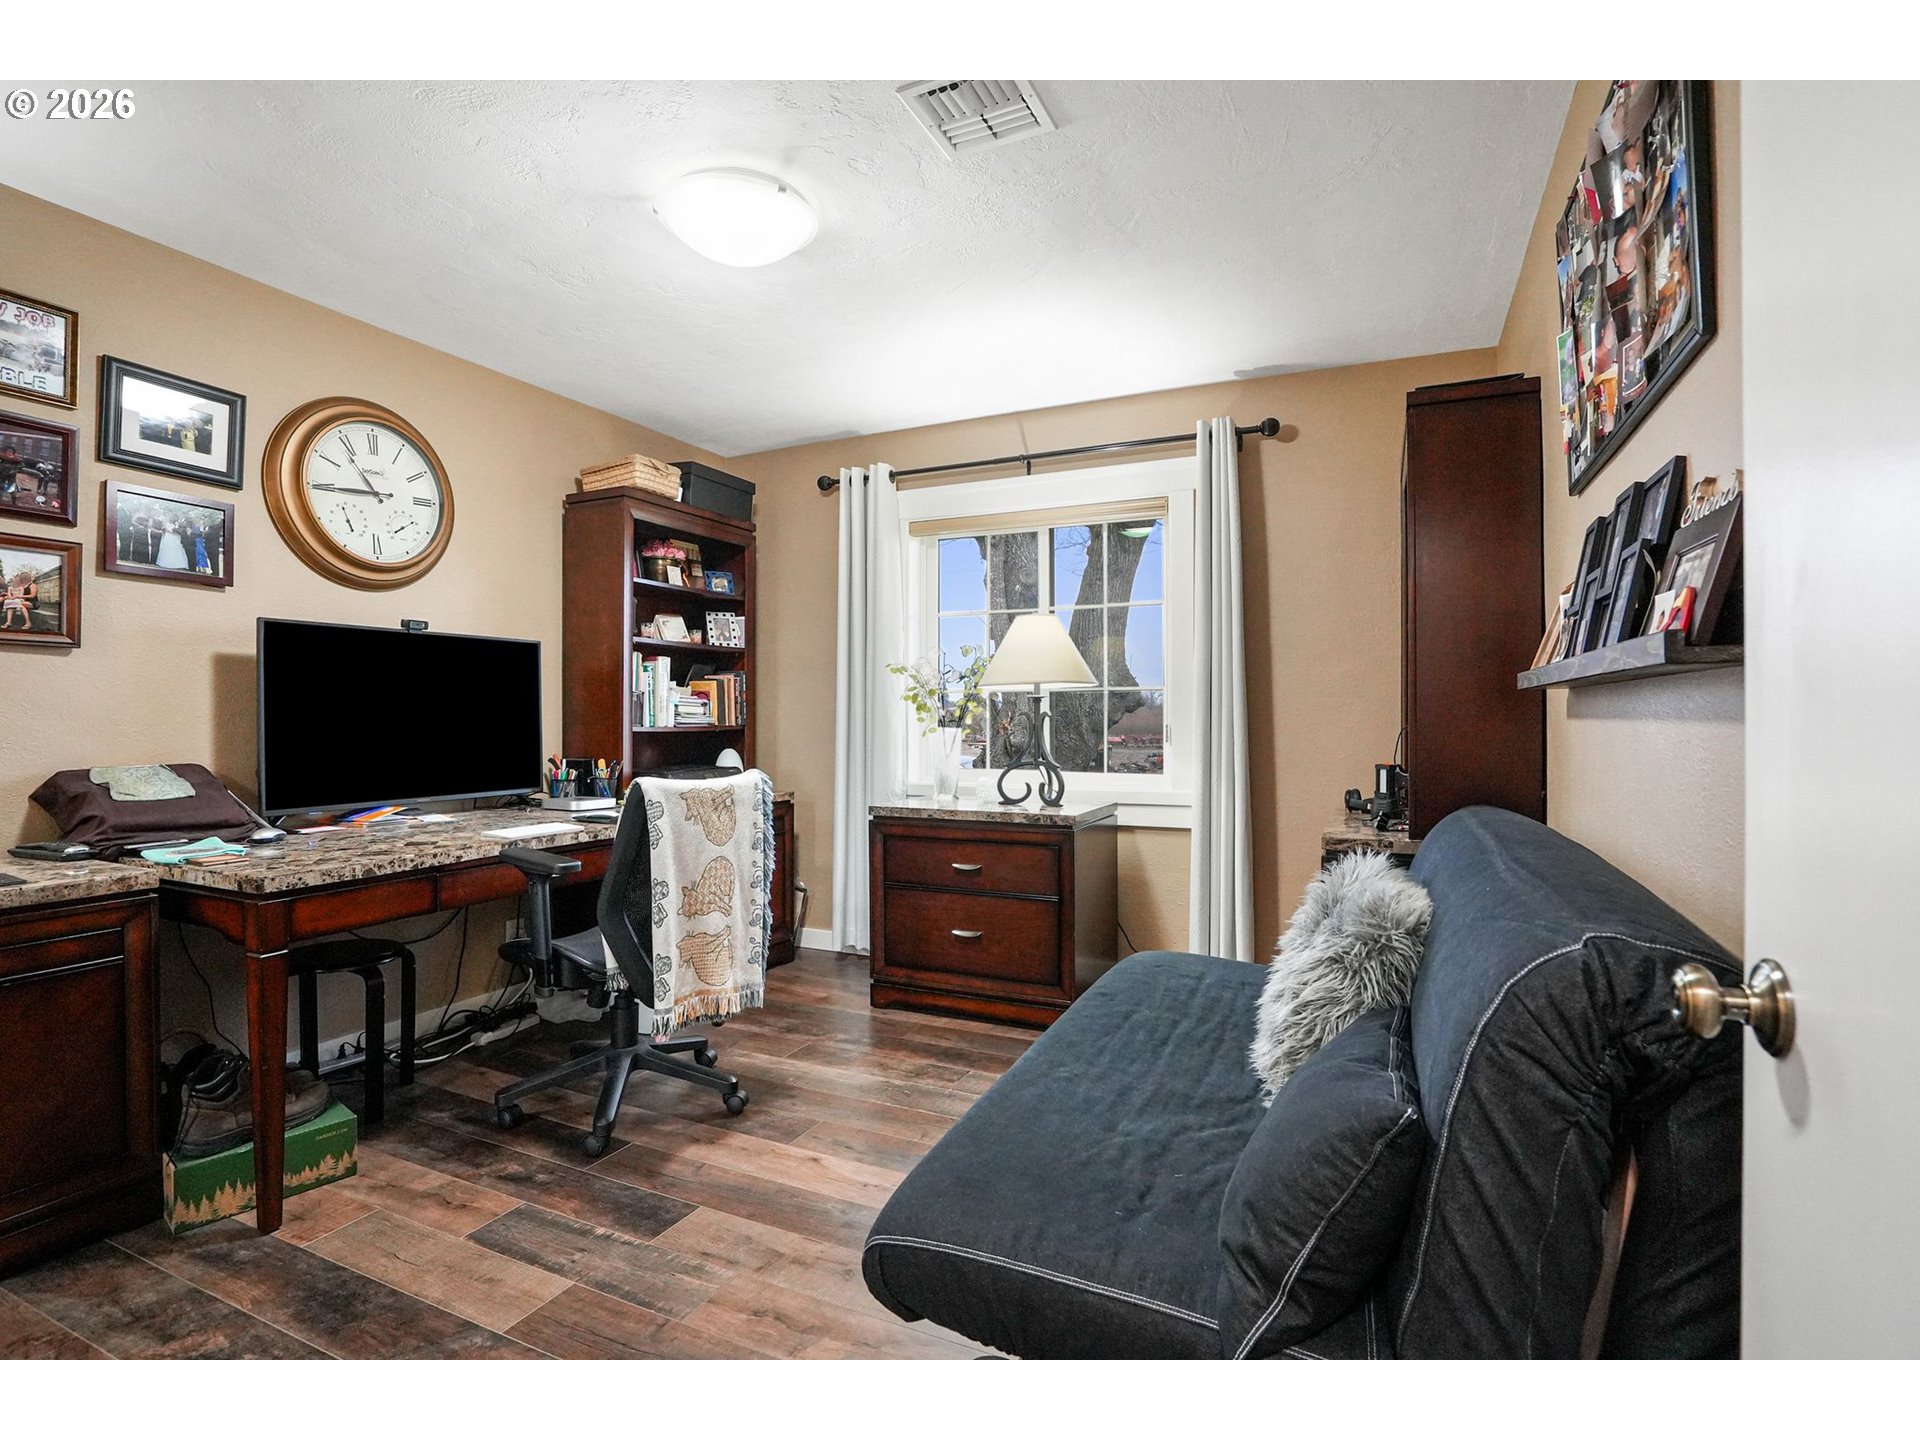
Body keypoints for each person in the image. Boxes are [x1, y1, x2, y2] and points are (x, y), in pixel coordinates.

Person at [1, 565, 36, 631]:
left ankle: (28, 623)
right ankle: (8, 622)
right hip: (22, 600)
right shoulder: (21, 585)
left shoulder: (32, 585)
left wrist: (20, 596)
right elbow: (14, 589)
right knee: (10, 606)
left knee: (21, 604)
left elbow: (32, 596)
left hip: (32, 602)